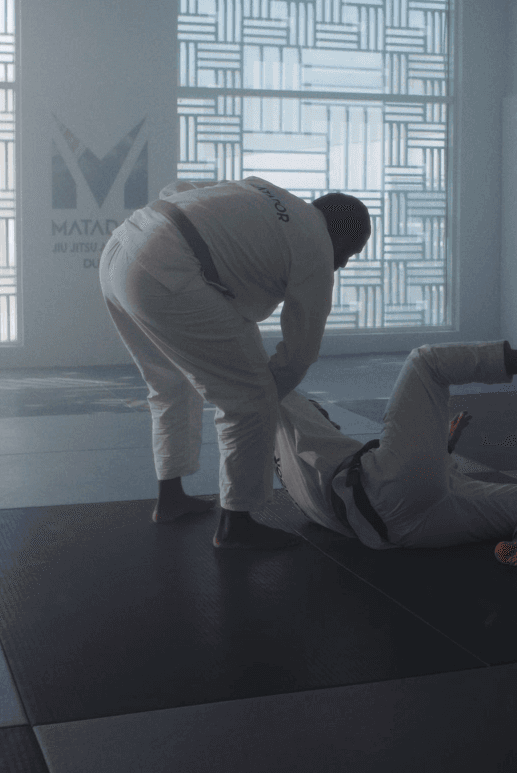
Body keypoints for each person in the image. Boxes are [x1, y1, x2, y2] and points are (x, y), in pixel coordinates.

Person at [100, 176, 370, 550]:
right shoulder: (317, 247)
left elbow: (175, 189)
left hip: (121, 249)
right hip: (165, 270)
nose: (342, 264)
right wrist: (268, 399)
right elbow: (301, 350)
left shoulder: (262, 191)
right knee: (249, 398)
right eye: (349, 252)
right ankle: (237, 525)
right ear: (340, 235)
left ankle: (171, 498)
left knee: (170, 384)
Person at [265, 311, 517, 570]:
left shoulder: (299, 486)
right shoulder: (284, 422)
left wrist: (440, 449)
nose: (328, 420)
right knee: (424, 363)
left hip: (409, 530)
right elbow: (268, 385)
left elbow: (417, 485)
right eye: (322, 414)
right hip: (385, 490)